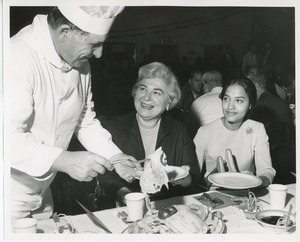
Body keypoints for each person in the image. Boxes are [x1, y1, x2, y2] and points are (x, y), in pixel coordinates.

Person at [7, 6, 142, 223]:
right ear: (64, 32)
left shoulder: (81, 64)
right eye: (94, 44)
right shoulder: (15, 56)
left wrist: (114, 156)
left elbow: (84, 121)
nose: (99, 54)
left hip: (43, 192)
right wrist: (65, 161)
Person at [97, 62, 201, 203]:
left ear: (169, 101)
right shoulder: (114, 128)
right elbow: (106, 177)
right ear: (135, 92)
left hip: (166, 206)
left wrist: (183, 178)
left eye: (157, 92)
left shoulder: (178, 129)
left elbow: (192, 175)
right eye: (143, 89)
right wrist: (130, 199)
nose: (146, 97)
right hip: (122, 205)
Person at [193, 77, 276, 188]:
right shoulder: (204, 132)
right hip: (213, 196)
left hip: (246, 195)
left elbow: (266, 170)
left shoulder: (257, 129)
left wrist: (255, 183)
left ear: (250, 104)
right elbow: (192, 175)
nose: (230, 106)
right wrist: (208, 180)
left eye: (239, 101)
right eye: (226, 99)